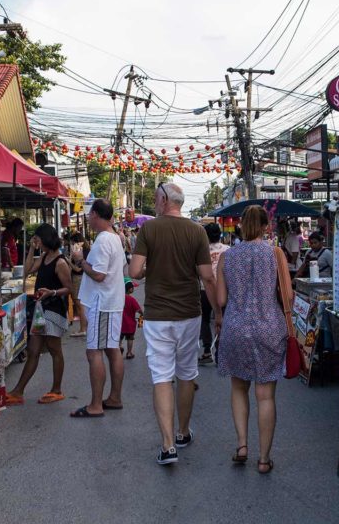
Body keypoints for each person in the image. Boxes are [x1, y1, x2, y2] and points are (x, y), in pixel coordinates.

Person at [129, 182, 220, 465]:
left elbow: (134, 273)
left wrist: (148, 267)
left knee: (161, 376)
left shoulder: (150, 230)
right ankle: (182, 432)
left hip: (157, 314)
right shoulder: (196, 231)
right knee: (186, 373)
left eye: (157, 198)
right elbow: (207, 276)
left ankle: (168, 446)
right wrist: (217, 312)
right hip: (190, 312)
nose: (155, 202)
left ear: (165, 199)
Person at [215, 205, 286, 474]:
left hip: (235, 328)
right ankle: (264, 459)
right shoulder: (275, 254)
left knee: (238, 388)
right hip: (269, 328)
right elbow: (287, 297)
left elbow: (221, 300)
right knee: (265, 396)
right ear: (266, 226)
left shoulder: (227, 257)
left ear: (241, 226)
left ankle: (242, 445)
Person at [70, 199, 127, 418]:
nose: (88, 219)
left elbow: (99, 274)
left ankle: (96, 404)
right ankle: (114, 397)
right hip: (110, 302)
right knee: (112, 349)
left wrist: (81, 261)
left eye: (89, 215)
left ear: (95, 214)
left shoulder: (104, 240)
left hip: (103, 303)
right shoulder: (113, 238)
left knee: (94, 352)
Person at [5, 224, 69, 406]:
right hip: (41, 310)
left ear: (46, 238)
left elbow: (69, 288)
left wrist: (52, 292)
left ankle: (56, 390)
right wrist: (31, 248)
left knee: (55, 350)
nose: (36, 242)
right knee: (33, 351)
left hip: (53, 310)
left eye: (38, 239)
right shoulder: (45, 256)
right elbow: (26, 270)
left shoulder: (60, 262)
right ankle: (18, 391)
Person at [199, 222, 228, 364]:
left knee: (204, 319)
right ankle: (220, 350)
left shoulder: (200, 251)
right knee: (222, 319)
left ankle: (206, 350)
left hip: (204, 290)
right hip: (223, 290)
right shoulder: (228, 250)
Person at [69, 233, 89, 337]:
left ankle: (83, 328)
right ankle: (85, 327)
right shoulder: (86, 250)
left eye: (72, 242)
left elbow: (77, 269)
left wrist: (68, 261)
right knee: (82, 304)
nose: (71, 245)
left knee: (79, 304)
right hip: (83, 278)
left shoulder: (79, 251)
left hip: (78, 278)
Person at [121, 278, 142, 359]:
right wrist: (142, 316)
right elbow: (139, 310)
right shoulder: (132, 299)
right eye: (132, 287)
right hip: (130, 325)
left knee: (120, 337)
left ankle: (119, 346)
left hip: (120, 324)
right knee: (130, 338)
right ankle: (129, 353)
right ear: (130, 289)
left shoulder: (119, 298)